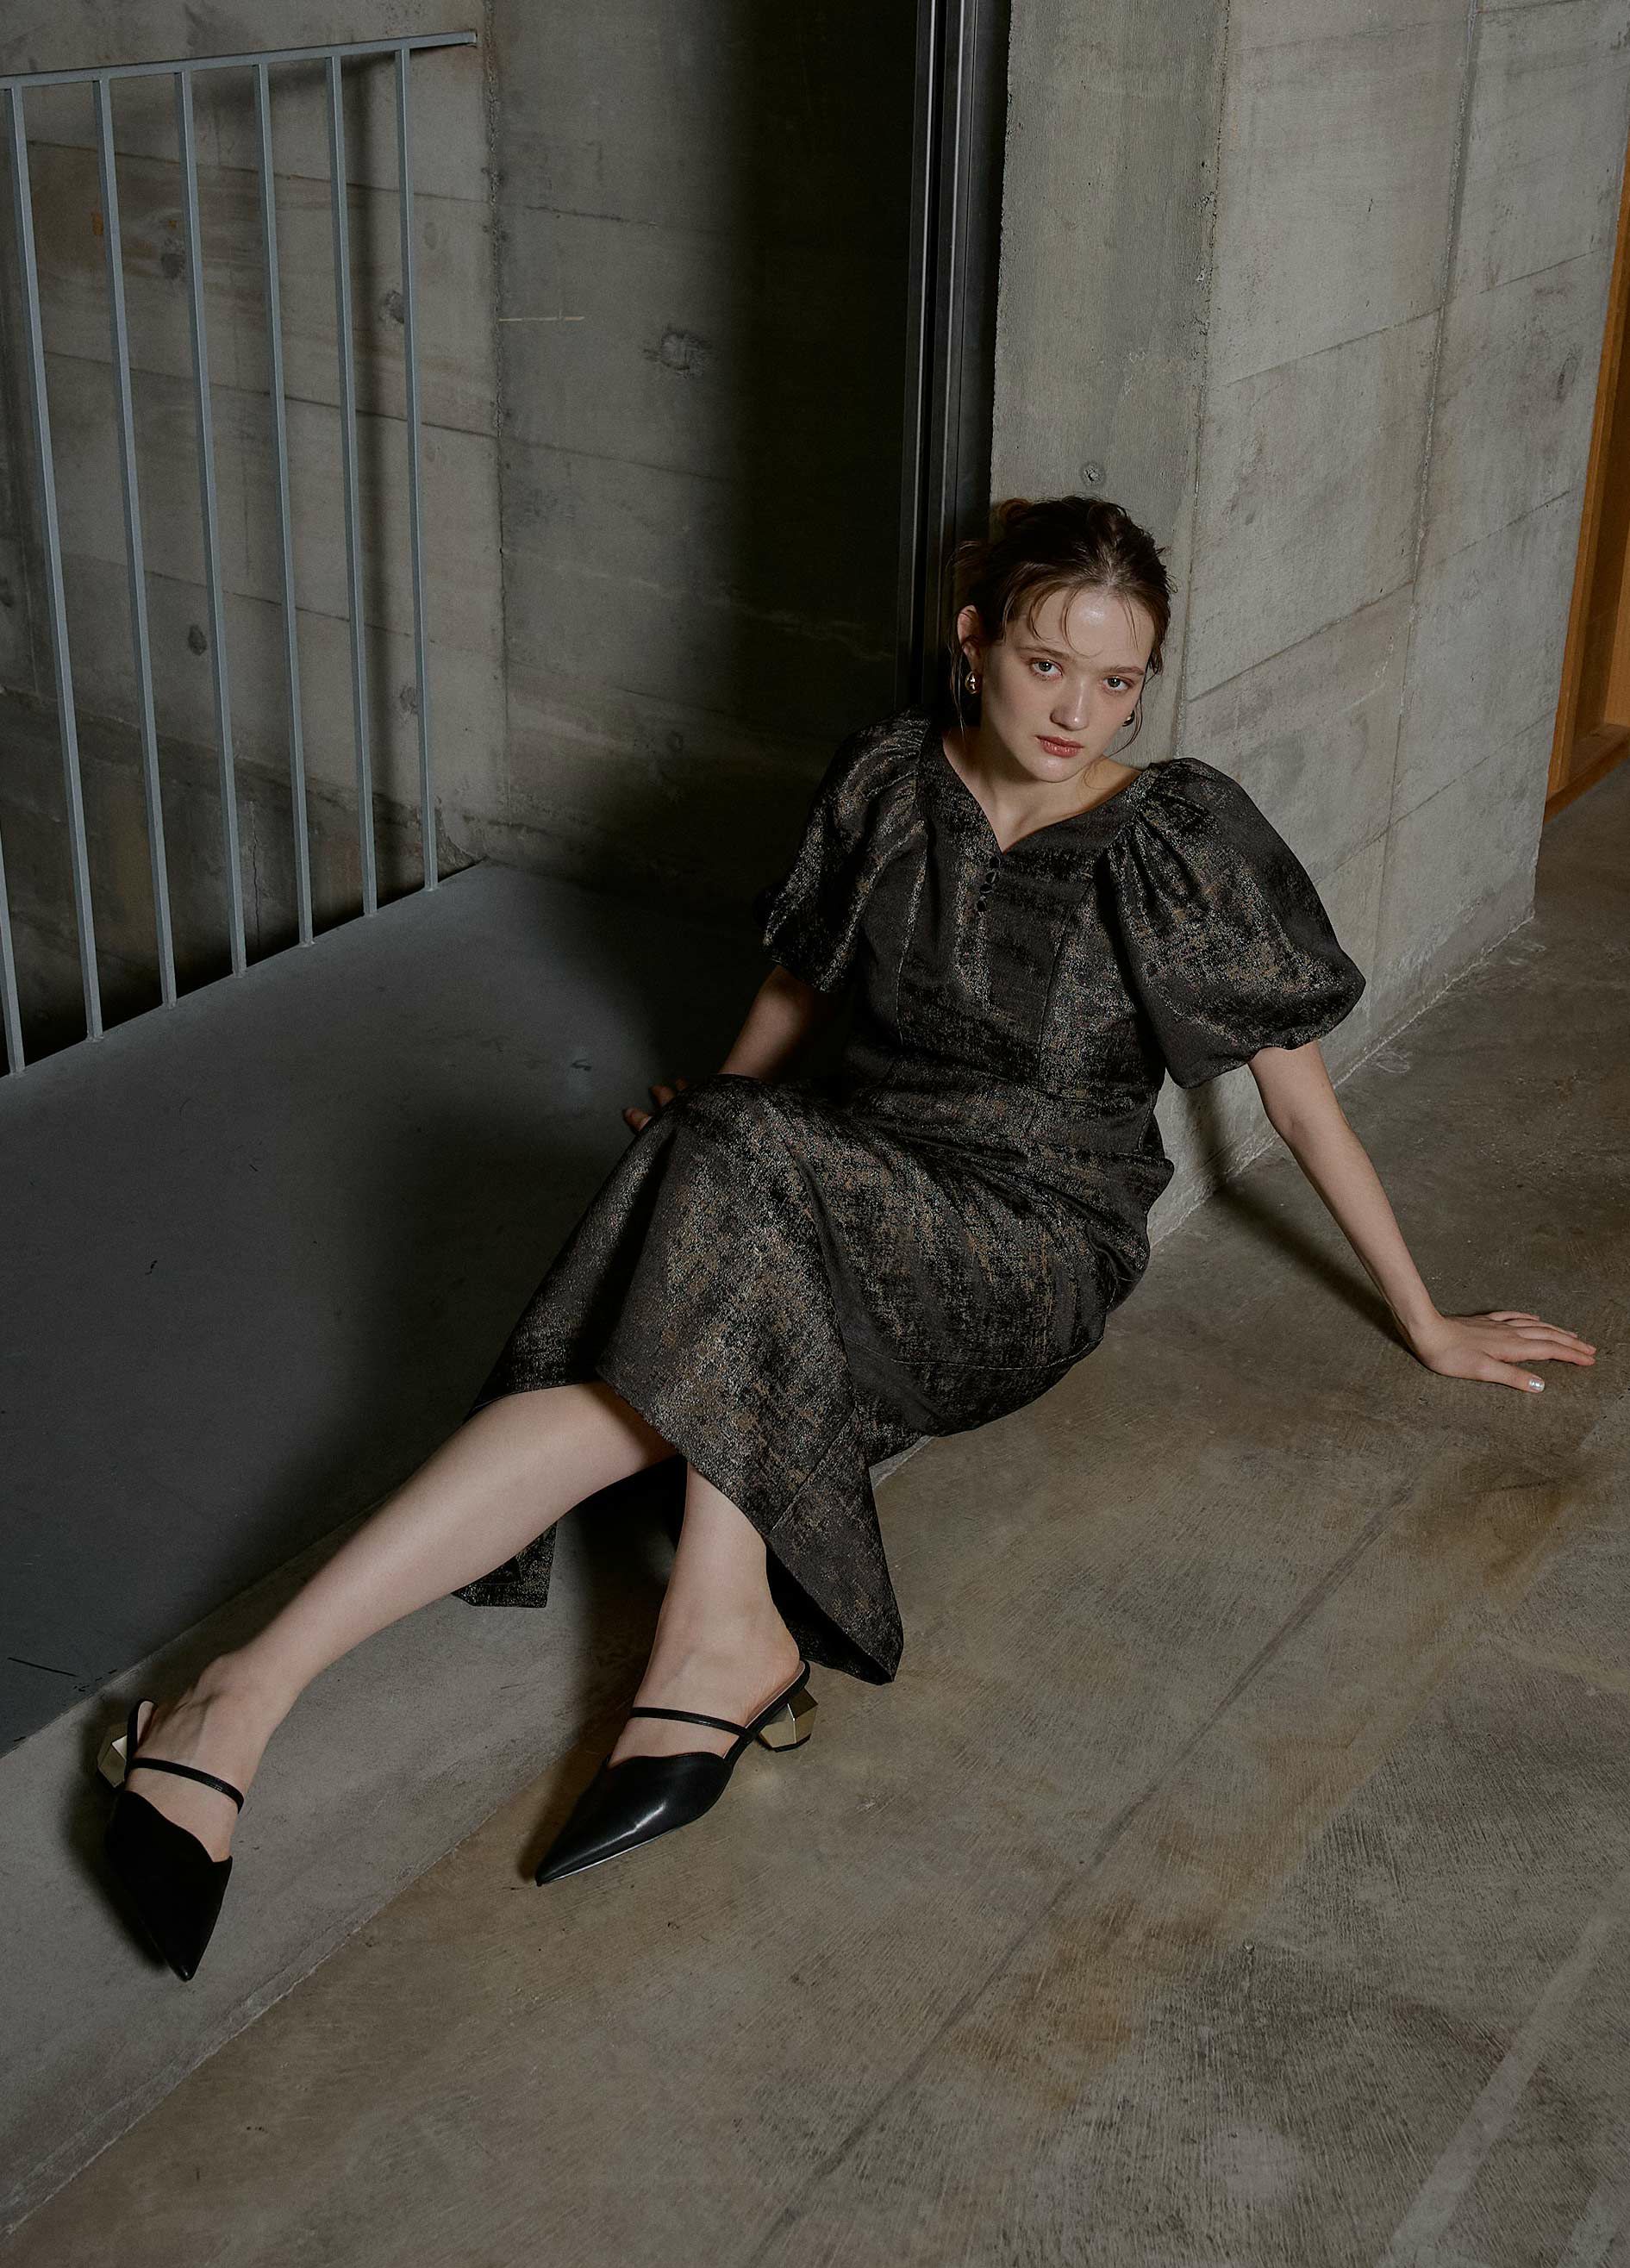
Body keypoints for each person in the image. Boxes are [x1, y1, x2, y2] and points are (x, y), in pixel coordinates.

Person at [95, 495, 1597, 1977]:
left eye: (1117, 679)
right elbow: (801, 985)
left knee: (723, 1181)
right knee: (686, 1259)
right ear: (972, 641)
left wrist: (1424, 1314)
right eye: (1045, 664)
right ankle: (266, 1693)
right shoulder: (887, 777)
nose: (1076, 711)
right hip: (841, 1182)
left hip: (1029, 1240)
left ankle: (614, 1640)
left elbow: (1297, 1095)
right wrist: (712, 1126)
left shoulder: (1175, 834)